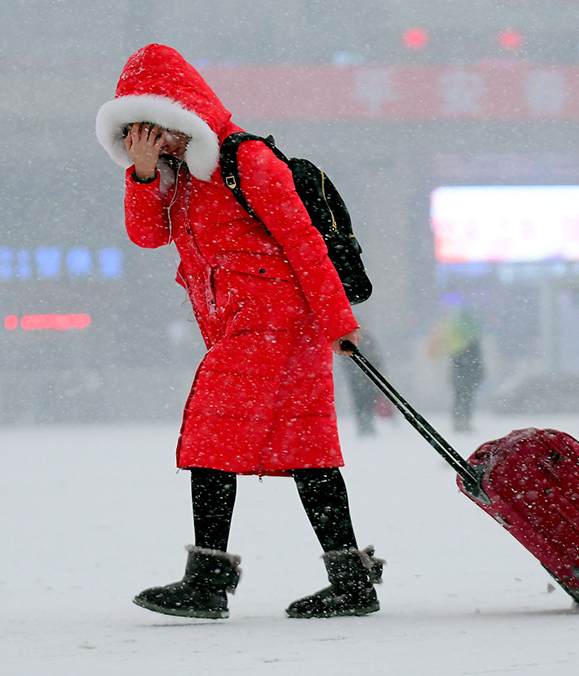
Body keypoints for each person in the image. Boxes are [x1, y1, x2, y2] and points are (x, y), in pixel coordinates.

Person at [95, 44, 382, 620]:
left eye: (158, 130)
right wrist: (145, 174)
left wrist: (339, 324)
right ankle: (352, 582)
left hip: (272, 323)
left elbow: (304, 243)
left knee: (209, 437)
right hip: (253, 328)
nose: (152, 142)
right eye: (137, 135)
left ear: (182, 115)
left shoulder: (244, 160)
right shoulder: (178, 180)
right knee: (308, 451)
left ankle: (207, 583)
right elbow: (146, 236)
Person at [429, 298, 485, 432]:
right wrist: (479, 372)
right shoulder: (471, 340)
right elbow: (477, 360)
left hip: (459, 374)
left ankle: (458, 422)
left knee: (459, 397)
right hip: (468, 374)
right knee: (466, 398)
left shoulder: (456, 341)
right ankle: (464, 422)